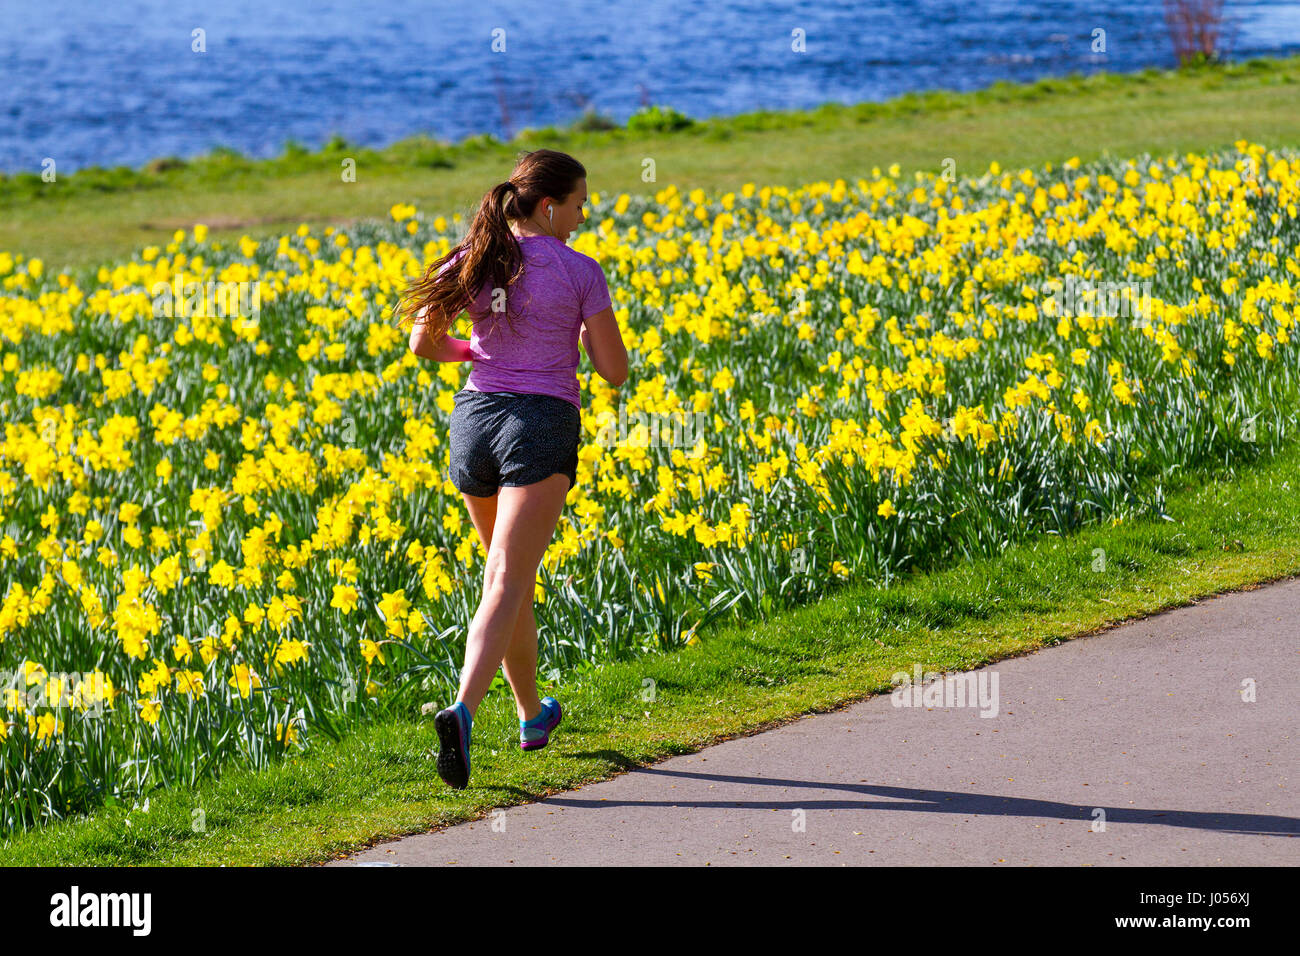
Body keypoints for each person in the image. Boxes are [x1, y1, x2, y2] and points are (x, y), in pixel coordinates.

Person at [399, 148, 629, 789]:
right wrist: (576, 336)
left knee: (511, 579)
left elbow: (422, 342)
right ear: (549, 206)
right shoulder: (581, 271)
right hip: (539, 425)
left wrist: (475, 350)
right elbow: (614, 371)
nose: (583, 217)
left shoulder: (475, 257)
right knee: (505, 577)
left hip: (473, 423)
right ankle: (463, 711)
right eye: (579, 205)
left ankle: (531, 715)